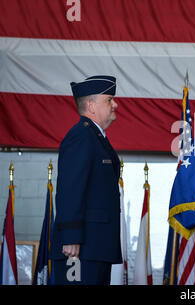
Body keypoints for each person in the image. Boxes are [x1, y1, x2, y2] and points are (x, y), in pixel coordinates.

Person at [49, 75, 122, 285]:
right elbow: (70, 188)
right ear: (91, 105)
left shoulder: (95, 137)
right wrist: (71, 236)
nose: (115, 104)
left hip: (95, 246)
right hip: (80, 248)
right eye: (108, 100)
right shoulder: (81, 136)